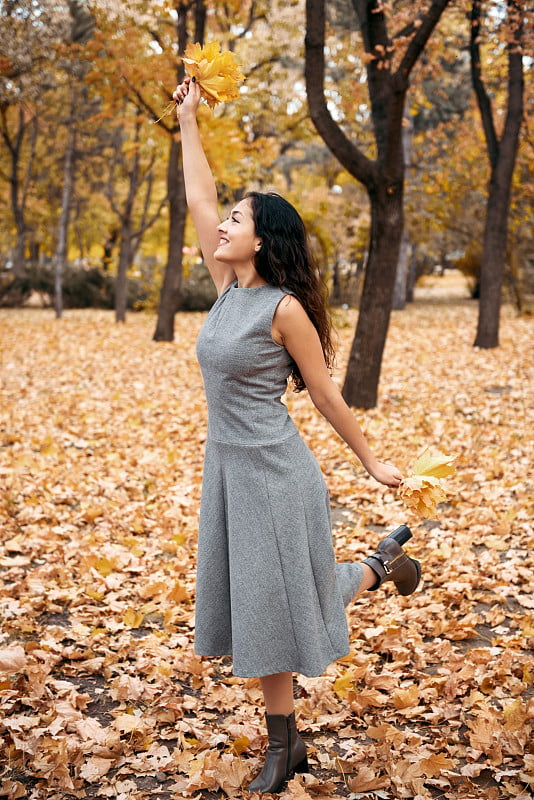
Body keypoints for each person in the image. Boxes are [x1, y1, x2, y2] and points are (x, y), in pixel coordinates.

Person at [174, 77, 421, 794]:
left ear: (264, 238)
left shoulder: (283, 310)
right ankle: (382, 564)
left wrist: (373, 460)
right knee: (279, 600)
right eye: (228, 217)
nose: (223, 224)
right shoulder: (226, 287)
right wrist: (189, 119)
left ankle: (283, 750)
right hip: (229, 475)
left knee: (273, 610)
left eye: (238, 219)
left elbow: (324, 394)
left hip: (279, 479)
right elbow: (195, 199)